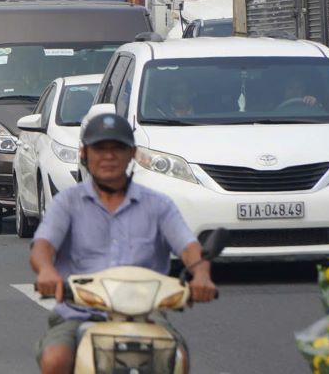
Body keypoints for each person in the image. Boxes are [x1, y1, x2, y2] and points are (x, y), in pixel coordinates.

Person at [30, 112, 216, 374]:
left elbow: (188, 247)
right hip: (79, 312)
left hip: (147, 314)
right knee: (55, 360)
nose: (108, 156)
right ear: (84, 153)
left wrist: (201, 275)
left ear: (132, 154)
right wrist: (47, 271)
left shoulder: (158, 205)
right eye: (100, 148)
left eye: (117, 148)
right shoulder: (67, 202)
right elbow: (43, 246)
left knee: (178, 359)